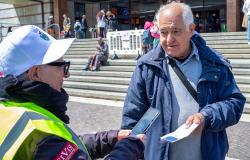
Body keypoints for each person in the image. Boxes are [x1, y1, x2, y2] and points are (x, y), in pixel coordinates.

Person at [121, 2, 245, 160]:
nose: (168, 39)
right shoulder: (147, 66)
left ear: (191, 29)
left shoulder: (214, 63)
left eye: (175, 31)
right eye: (163, 32)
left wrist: (206, 117)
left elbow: (234, 102)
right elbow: (133, 117)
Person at [0, 25, 145, 160]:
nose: (66, 75)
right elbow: (54, 145)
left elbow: (66, 146)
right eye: (61, 66)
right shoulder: (37, 132)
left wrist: (111, 138)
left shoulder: (10, 108)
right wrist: (130, 147)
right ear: (35, 73)